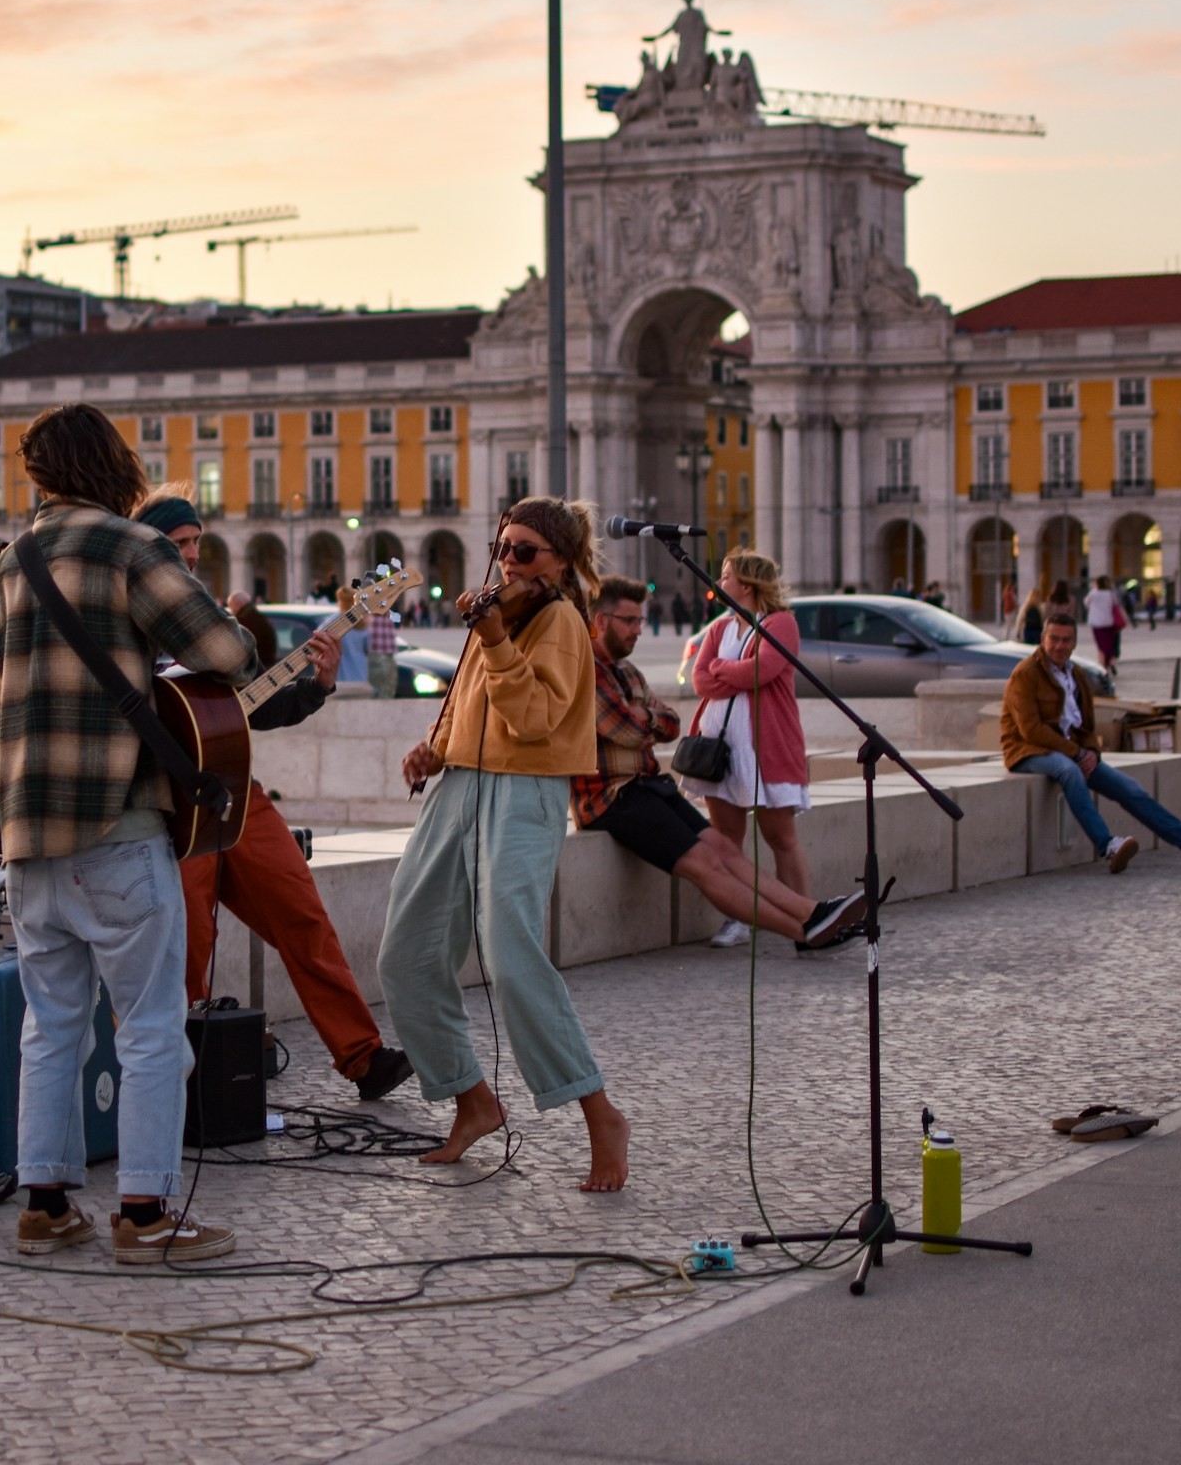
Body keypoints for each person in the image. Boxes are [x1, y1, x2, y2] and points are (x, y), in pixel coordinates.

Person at [0, 404, 258, 1264]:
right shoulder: (132, 548)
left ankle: (47, 1204)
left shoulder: (2, 570)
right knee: (147, 1028)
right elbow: (225, 651)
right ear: (114, 464)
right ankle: (143, 1215)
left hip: (27, 838)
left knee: (50, 1027)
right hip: (119, 830)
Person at [380, 496, 631, 1193]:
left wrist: (492, 636)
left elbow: (534, 720)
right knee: (405, 952)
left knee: (515, 958)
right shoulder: (497, 611)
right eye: (504, 547)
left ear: (561, 562)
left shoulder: (559, 622)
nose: (509, 561)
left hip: (525, 794)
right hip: (458, 786)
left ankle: (599, 1113)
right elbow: (469, 700)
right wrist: (435, 748)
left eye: (526, 551)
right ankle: (472, 1100)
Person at [135, 490, 414, 1101]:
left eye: (196, 542)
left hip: (236, 792)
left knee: (301, 913)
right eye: (179, 544)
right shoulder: (128, 618)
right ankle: (176, 1078)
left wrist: (317, 683)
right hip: (170, 808)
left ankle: (364, 1057)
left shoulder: (206, 615)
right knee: (189, 945)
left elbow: (254, 708)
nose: (191, 554)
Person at [574, 577, 866, 948]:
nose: (638, 631)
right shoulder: (585, 669)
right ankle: (804, 932)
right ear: (600, 622)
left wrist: (644, 717)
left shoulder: (628, 671)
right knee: (707, 865)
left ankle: (814, 912)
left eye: (640, 622)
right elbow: (628, 728)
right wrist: (646, 718)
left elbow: (671, 724)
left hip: (648, 786)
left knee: (726, 849)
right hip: (611, 798)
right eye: (630, 621)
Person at [1002, 614, 1181, 872]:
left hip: (1071, 750)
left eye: (1066, 640)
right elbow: (1031, 731)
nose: (1059, 646)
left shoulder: (1077, 675)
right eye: (1053, 639)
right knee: (1069, 772)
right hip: (1027, 751)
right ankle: (1108, 846)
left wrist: (1092, 751)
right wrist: (1078, 753)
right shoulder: (1025, 674)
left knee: (1129, 788)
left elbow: (1085, 726)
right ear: (1042, 639)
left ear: (1074, 643)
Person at [678, 550, 815, 950]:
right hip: (720, 748)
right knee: (727, 838)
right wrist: (727, 672)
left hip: (765, 746)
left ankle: (809, 918)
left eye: (726, 577)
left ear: (749, 586)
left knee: (780, 836)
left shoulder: (781, 624)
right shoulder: (720, 629)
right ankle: (738, 920)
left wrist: (723, 670)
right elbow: (700, 681)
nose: (720, 584)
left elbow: (762, 671)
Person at [1083, 575, 1128, 675]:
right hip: (1108, 622)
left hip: (1096, 622)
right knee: (1109, 644)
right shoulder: (1111, 594)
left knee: (1100, 645)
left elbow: (1086, 603)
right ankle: (1109, 662)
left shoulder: (1093, 593)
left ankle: (1102, 665)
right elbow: (1116, 605)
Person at [334, 585, 370, 690]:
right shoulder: (361, 621)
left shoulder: (331, 622)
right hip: (361, 675)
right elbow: (369, 648)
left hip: (339, 679)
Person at [366, 588, 400, 698]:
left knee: (374, 692)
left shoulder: (369, 619)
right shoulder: (388, 617)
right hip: (386, 657)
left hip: (374, 657)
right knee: (387, 692)